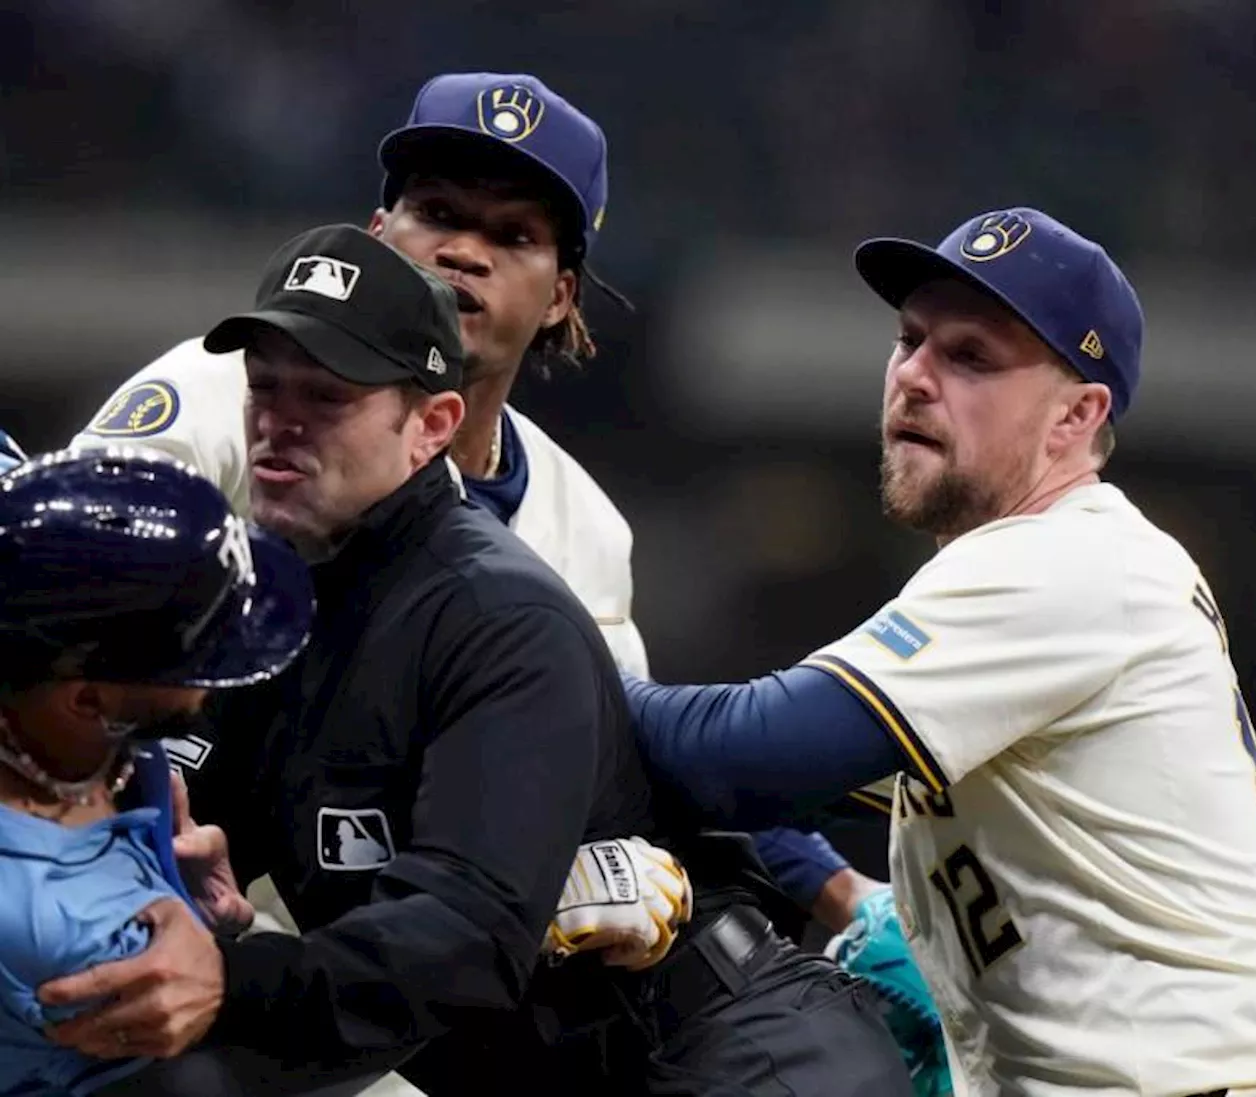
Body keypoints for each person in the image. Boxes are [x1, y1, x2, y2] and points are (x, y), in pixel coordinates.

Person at [44, 223, 914, 1096]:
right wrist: (198, 892)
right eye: (265, 390)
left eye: (328, 397)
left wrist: (233, 980)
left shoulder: (498, 614)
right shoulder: (265, 617)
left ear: (431, 426)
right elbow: (187, 831)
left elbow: (461, 940)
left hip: (732, 1058)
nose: (281, 424)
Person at [67, 72, 866, 947]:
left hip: (373, 974)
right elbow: (52, 590)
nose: (463, 252)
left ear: (562, 294)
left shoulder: (583, 527)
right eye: (438, 213)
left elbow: (615, 755)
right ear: (379, 236)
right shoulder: (224, 396)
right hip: (109, 894)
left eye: (513, 235)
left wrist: (805, 880)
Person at [624, 207, 1256, 1096]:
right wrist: (844, 891)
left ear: (1076, 415)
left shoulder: (1066, 561)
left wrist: (553, 674)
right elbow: (773, 787)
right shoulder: (1045, 572)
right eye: (910, 340)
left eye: (971, 357)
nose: (915, 377)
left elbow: (749, 756)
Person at [0, 447, 313, 1095]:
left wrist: (192, 896)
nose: (211, 686)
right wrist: (224, 951)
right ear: (88, 700)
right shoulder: (58, 925)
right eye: (197, 666)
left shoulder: (78, 731)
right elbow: (210, 1010)